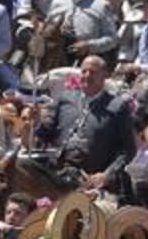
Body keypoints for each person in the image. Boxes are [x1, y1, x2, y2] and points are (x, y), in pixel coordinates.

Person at [35, 56, 135, 185]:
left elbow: (128, 150)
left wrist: (106, 175)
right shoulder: (65, 98)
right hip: (57, 172)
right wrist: (34, 120)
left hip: (91, 179)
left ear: (104, 76)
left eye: (92, 72)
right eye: (83, 71)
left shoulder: (117, 106)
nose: (87, 76)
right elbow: (44, 134)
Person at [44, 0, 119, 67]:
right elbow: (47, 30)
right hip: (56, 59)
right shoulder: (57, 3)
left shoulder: (101, 5)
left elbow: (112, 39)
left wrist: (89, 45)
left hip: (86, 62)